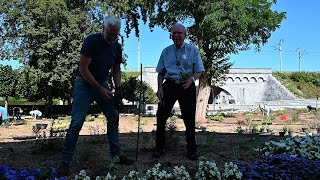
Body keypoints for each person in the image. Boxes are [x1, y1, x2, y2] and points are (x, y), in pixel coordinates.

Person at [57, 16, 133, 177]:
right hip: (84, 83)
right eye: (110, 33)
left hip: (102, 82)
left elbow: (116, 70)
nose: (112, 37)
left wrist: (118, 88)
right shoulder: (91, 41)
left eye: (115, 35)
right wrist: (98, 89)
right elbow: (83, 69)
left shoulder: (116, 47)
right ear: (103, 29)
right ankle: (65, 162)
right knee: (77, 122)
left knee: (113, 116)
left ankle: (116, 155)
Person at [153, 23, 205, 161]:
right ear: (171, 36)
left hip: (187, 86)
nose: (176, 35)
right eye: (174, 33)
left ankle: (192, 150)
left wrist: (192, 79)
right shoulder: (166, 52)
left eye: (179, 33)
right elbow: (160, 73)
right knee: (161, 117)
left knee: (189, 119)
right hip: (169, 85)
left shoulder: (193, 50)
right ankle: (159, 148)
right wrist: (159, 88)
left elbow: (199, 70)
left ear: (185, 35)